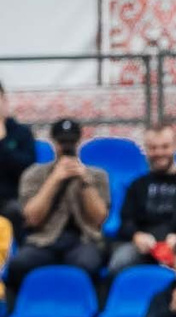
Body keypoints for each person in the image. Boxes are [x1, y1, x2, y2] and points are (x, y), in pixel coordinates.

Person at [6, 117, 109, 297]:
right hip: (44, 239)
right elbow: (32, 218)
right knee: (18, 265)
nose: (66, 147)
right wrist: (54, 180)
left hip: (82, 239)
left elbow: (99, 219)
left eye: (70, 142)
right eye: (62, 142)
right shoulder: (34, 174)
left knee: (88, 264)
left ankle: (88, 313)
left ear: (79, 142)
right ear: (54, 142)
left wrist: (85, 182)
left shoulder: (97, 175)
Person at [105, 125, 176, 277]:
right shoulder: (137, 185)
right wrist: (136, 236)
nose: (159, 153)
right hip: (145, 246)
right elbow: (126, 220)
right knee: (119, 262)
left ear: (175, 147)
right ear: (146, 150)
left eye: (165, 147)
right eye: (153, 148)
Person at [0, 81, 37, 228]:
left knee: (15, 211)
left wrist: (2, 143)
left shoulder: (21, 132)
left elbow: (27, 170)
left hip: (12, 197)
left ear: (4, 101)